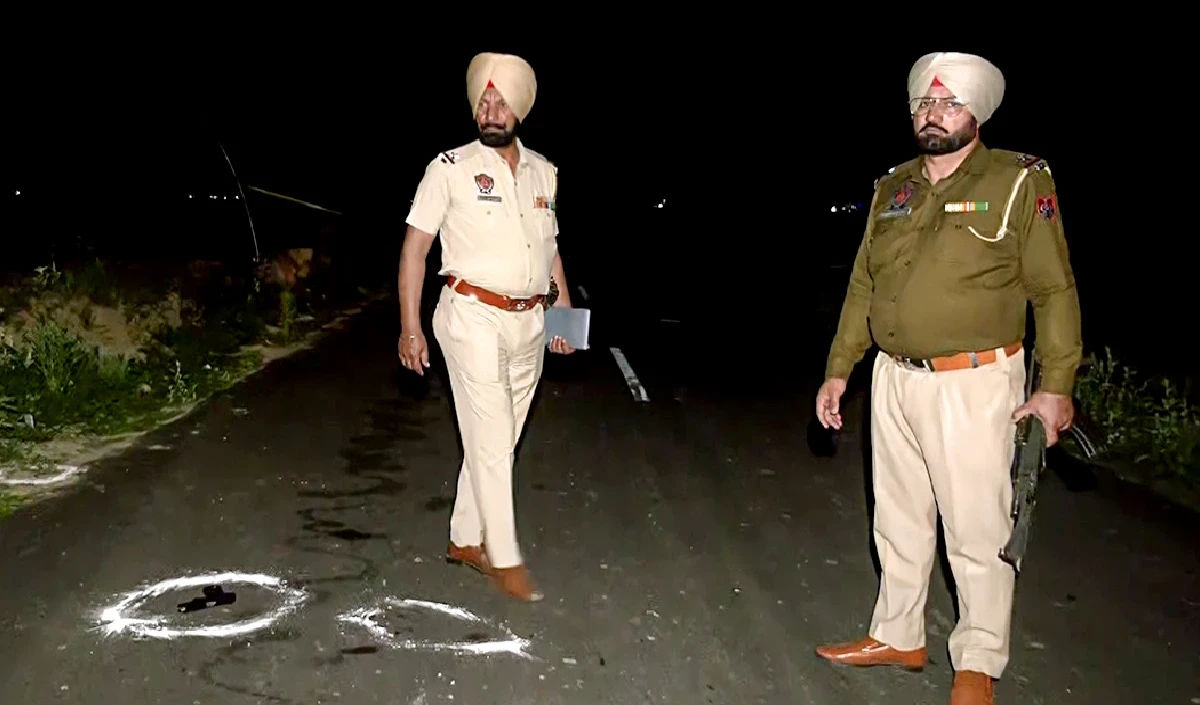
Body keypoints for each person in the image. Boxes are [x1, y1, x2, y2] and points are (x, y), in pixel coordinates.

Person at [813, 52, 1082, 705]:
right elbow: (862, 285)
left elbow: (1053, 288)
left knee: (977, 528)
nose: (934, 114)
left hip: (975, 381)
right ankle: (898, 634)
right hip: (894, 377)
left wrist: (1055, 385)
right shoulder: (893, 188)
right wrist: (839, 369)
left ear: (977, 113)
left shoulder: (1018, 180)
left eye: (950, 103)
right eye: (925, 104)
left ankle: (978, 662)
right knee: (898, 516)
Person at [397, 51, 575, 603]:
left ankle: (463, 537)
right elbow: (415, 250)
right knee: (493, 439)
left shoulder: (544, 172)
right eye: (483, 102)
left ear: (519, 110)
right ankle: (505, 555)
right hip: (470, 315)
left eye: (500, 103)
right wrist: (409, 328)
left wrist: (565, 320)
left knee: (499, 438)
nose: (490, 111)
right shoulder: (448, 168)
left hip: (530, 322)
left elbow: (549, 250)